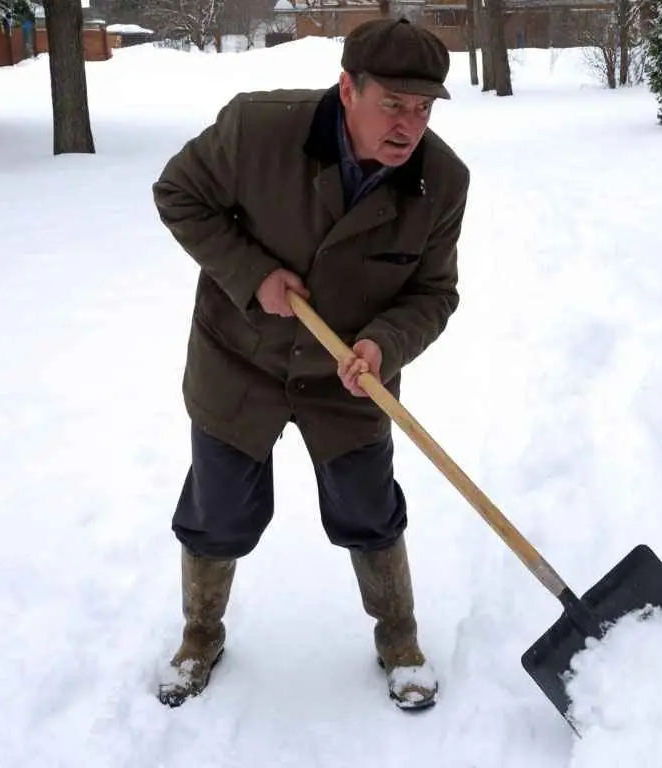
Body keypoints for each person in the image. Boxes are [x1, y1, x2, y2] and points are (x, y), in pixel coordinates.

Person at [150, 17, 469, 711]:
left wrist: (385, 343)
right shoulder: (257, 131)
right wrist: (251, 272)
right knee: (220, 513)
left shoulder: (440, 183)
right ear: (347, 87)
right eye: (393, 104)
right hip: (239, 359)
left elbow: (434, 292)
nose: (408, 127)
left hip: (349, 377)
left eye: (423, 109)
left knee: (368, 509)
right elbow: (179, 193)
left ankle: (399, 638)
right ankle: (200, 635)